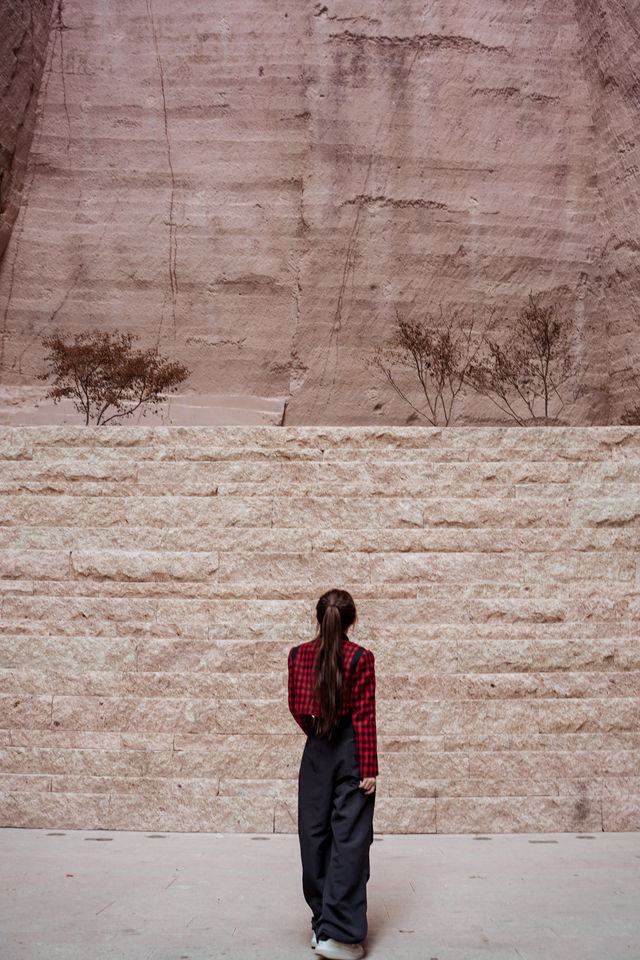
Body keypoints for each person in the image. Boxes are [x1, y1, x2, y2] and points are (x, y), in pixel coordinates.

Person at [288, 588, 378, 960]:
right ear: (351, 621)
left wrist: (316, 735)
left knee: (314, 835)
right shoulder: (360, 657)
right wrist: (369, 767)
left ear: (318, 618)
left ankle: (321, 925)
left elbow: (296, 707)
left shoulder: (298, 655)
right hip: (352, 750)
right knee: (350, 840)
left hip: (316, 749)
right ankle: (338, 934)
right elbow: (363, 715)